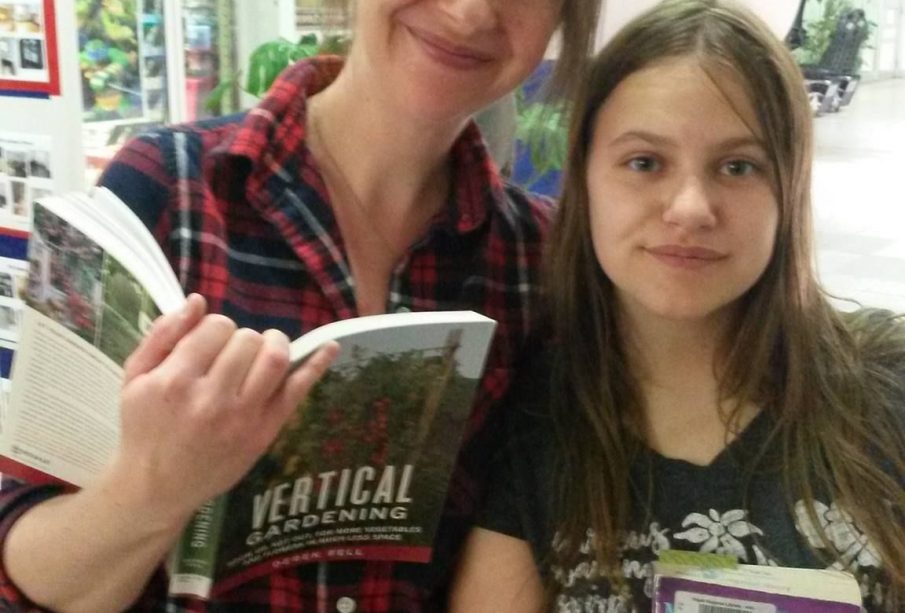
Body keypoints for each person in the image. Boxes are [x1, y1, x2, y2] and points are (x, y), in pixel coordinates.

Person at [0, 0, 601, 611]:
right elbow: (28, 577)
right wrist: (153, 488)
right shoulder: (159, 187)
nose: (470, 13)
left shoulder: (539, 261)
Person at [450, 1, 905, 611]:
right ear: (584, 183)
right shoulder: (535, 418)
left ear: (789, 189)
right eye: (645, 162)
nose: (691, 206)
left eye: (737, 166)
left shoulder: (888, 389)